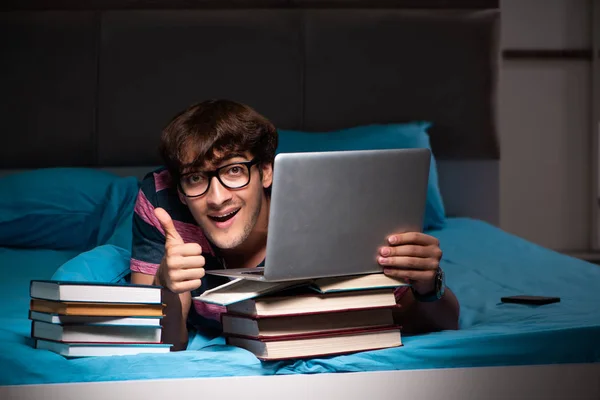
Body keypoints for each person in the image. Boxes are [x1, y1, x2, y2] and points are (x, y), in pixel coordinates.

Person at [129, 99, 460, 350]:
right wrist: (167, 290)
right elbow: (161, 345)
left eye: (233, 171)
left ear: (266, 172)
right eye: (196, 177)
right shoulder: (160, 201)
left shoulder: (324, 218)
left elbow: (435, 320)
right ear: (181, 190)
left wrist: (428, 285)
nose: (217, 198)